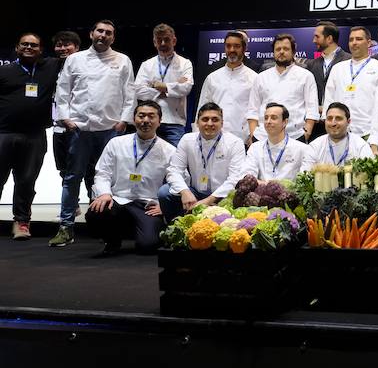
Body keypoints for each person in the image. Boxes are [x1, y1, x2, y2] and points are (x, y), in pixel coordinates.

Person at [51, 20, 135, 247]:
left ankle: (104, 228)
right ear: (91, 34)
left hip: (110, 130)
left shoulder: (122, 60)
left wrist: (123, 121)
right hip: (80, 128)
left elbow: (129, 92)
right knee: (72, 178)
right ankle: (66, 227)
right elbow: (63, 90)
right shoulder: (74, 59)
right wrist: (66, 118)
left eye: (109, 33)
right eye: (100, 31)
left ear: (113, 38)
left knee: (109, 180)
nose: (103, 35)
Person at [85, 101, 176, 254]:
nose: (145, 120)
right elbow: (103, 173)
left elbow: (180, 182)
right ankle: (113, 240)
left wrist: (164, 206)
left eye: (151, 116)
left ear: (159, 121)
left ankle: (143, 233)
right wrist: (104, 193)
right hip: (118, 199)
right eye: (141, 116)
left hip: (147, 205)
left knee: (148, 245)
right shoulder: (116, 143)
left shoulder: (170, 151)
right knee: (96, 212)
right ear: (134, 119)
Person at [0, 33, 62, 239]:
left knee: (26, 181)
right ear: (17, 48)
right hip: (4, 133)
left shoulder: (50, 67)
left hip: (35, 135)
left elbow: (73, 56)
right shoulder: (4, 71)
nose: (29, 47)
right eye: (24, 44)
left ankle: (21, 222)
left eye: (33, 45)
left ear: (41, 50)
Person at [158, 102, 247, 222]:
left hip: (223, 196)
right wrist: (185, 192)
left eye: (215, 119)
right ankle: (176, 226)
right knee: (164, 192)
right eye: (205, 119)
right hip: (195, 193)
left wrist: (209, 200)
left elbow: (236, 178)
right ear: (197, 122)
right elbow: (174, 170)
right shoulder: (187, 139)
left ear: (222, 123)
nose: (210, 123)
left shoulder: (235, 142)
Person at [247, 33, 319, 143]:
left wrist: (307, 133)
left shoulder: (306, 76)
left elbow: (312, 108)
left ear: (293, 52)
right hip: (262, 137)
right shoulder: (261, 77)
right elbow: (253, 109)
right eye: (278, 49)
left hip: (295, 136)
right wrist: (253, 134)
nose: (281, 52)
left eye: (286, 49)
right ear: (273, 52)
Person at [134, 24, 194, 146]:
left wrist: (158, 86)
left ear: (174, 40)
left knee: (176, 161)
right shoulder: (147, 64)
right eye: (159, 40)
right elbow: (138, 91)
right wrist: (170, 88)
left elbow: (186, 88)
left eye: (166, 39)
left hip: (175, 122)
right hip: (150, 120)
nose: (162, 43)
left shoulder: (185, 63)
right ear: (154, 42)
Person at [195, 30, 258, 145]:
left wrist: (253, 136)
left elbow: (257, 110)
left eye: (237, 46)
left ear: (244, 49)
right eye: (228, 46)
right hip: (214, 137)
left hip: (243, 139)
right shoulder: (212, 78)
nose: (232, 50)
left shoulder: (254, 78)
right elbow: (202, 108)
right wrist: (197, 134)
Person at [323, 26, 378, 138]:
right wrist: (327, 122)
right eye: (351, 40)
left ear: (368, 42)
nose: (354, 43)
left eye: (358, 39)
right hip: (339, 131)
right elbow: (329, 97)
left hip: (369, 131)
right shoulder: (338, 68)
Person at [243, 103, 314, 180]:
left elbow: (305, 179)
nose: (268, 121)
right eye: (266, 118)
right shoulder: (255, 148)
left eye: (273, 118)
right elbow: (247, 177)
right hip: (260, 190)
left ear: (285, 122)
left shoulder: (302, 149)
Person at [308, 21, 351, 140]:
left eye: (317, 36)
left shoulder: (349, 61)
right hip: (317, 125)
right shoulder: (312, 64)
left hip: (339, 123)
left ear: (329, 39)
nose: (313, 40)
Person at [50, 30, 81, 182]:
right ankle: (72, 205)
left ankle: (94, 204)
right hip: (58, 127)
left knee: (88, 168)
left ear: (77, 47)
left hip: (80, 126)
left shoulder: (84, 67)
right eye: (59, 45)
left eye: (67, 45)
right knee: (64, 170)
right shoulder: (51, 67)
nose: (62, 48)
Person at [308, 102, 373, 165]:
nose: (333, 123)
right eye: (329, 119)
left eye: (338, 119)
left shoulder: (361, 146)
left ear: (348, 122)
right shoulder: (315, 146)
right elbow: (306, 174)